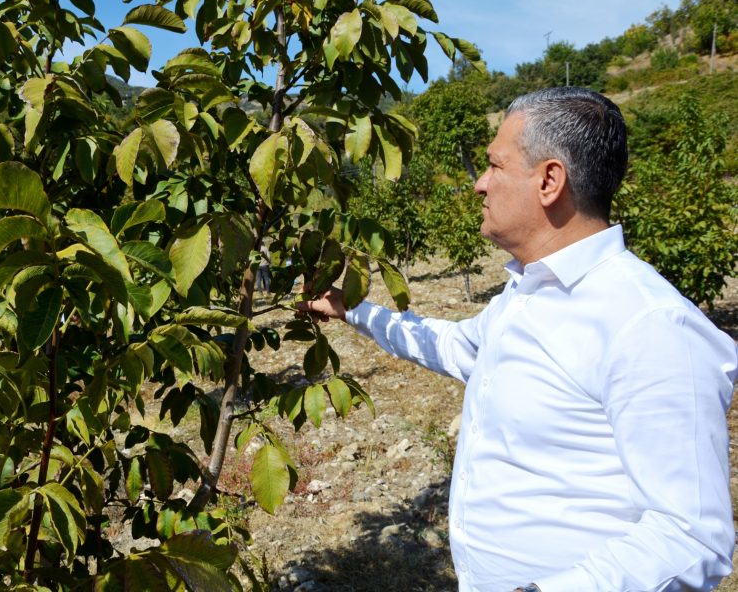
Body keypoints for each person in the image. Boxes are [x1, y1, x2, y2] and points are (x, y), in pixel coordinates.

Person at [297, 87, 738, 591]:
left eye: (495, 166)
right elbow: (453, 345)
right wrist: (353, 310)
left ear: (550, 180)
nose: (479, 184)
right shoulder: (527, 294)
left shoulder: (650, 326)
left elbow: (689, 537)